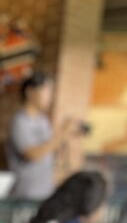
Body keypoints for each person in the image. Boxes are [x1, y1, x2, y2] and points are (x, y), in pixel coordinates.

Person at [6, 70, 82, 200]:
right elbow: (33, 155)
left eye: (51, 92)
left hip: (46, 192)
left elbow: (49, 150)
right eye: (46, 91)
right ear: (30, 92)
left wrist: (67, 135)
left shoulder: (43, 121)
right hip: (25, 194)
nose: (49, 96)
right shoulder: (20, 121)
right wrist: (62, 135)